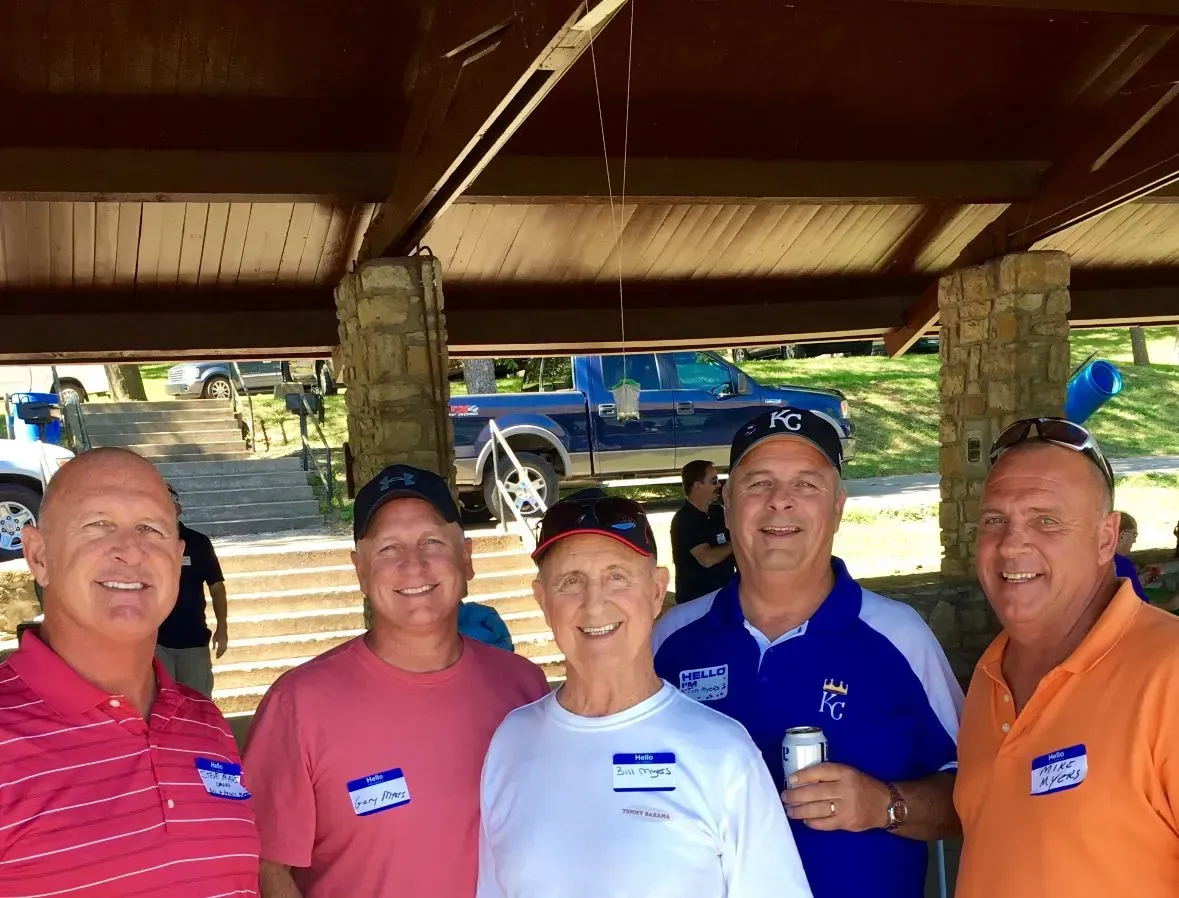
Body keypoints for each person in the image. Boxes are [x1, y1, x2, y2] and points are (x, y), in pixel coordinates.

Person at [653, 408, 963, 898]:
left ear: (838, 506)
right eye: (758, 484)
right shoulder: (669, 641)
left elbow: (972, 794)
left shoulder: (899, 636)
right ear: (728, 503)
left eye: (806, 485)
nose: (781, 503)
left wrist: (884, 805)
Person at [478, 489, 812, 898]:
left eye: (617, 576)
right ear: (542, 601)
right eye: (571, 582)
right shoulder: (512, 741)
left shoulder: (722, 751)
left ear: (656, 590)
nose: (594, 603)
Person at [244, 464, 549, 898]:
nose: (414, 564)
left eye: (432, 541)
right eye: (389, 548)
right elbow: (268, 869)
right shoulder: (299, 705)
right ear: (360, 571)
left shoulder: (522, 687)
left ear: (466, 558)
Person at [0, 447, 259, 895]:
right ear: (39, 555)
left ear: (177, 560)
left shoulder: (205, 725)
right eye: (97, 525)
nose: (129, 551)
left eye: (151, 529)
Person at [955, 418, 1179, 898]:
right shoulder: (990, 676)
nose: (1012, 544)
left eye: (1046, 521)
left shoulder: (1169, 673)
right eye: (995, 520)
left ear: (1105, 539)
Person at [155, 483, 229, 695]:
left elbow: (216, 587)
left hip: (194, 640)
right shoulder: (144, 543)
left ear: (179, 510)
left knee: (198, 704)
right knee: (161, 704)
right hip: (155, 641)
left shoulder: (198, 543)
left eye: (170, 507)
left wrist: (222, 628)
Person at [670, 458, 735, 603]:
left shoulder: (718, 512)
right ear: (697, 485)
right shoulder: (685, 520)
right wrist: (736, 543)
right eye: (713, 481)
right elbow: (707, 558)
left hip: (724, 598)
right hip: (696, 603)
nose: (718, 485)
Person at [1112, 510, 1148, 600]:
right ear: (1122, 535)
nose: (1134, 541)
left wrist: (1138, 580)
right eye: (1134, 535)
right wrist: (1173, 602)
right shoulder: (1122, 564)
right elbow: (1141, 606)